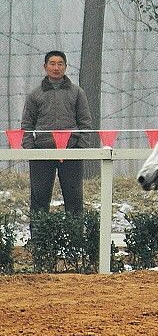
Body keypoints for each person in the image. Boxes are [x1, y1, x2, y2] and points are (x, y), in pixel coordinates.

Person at [21, 50, 93, 218]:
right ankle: (39, 240)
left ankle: (76, 238)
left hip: (71, 152)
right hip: (42, 152)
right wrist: (31, 149)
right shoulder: (35, 94)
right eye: (52, 64)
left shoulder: (77, 93)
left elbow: (85, 122)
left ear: (66, 67)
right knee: (39, 199)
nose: (56, 68)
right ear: (45, 67)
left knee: (74, 198)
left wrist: (80, 146)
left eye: (60, 64)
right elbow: (27, 124)